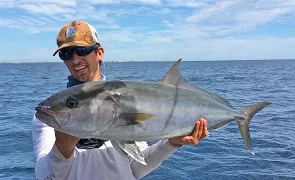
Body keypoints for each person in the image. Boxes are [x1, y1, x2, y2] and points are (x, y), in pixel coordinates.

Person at [32, 20, 209, 180]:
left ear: (99, 52)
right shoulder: (53, 113)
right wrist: (62, 149)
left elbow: (136, 169)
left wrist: (172, 143)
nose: (75, 59)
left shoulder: (128, 100)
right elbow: (46, 177)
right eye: (66, 54)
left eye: (82, 50)